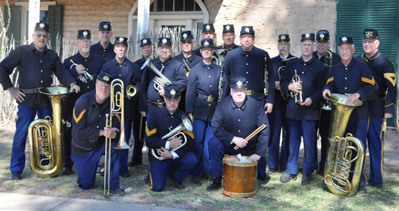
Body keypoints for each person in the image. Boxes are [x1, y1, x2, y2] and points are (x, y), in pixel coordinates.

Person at [0, 22, 80, 180]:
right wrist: (10, 88)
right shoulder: (21, 51)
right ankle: (16, 169)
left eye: (44, 35)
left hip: (45, 100)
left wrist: (71, 83)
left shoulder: (52, 55)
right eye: (39, 35)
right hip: (26, 100)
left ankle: (46, 166)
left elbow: (61, 71)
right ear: (33, 36)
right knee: (21, 135)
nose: (41, 38)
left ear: (48, 38)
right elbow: (2, 68)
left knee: (46, 135)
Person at [323, 36, 376, 193]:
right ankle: (338, 178)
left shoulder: (362, 67)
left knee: (358, 147)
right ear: (338, 50)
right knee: (341, 147)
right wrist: (327, 89)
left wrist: (358, 94)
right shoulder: (334, 68)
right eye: (342, 48)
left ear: (353, 50)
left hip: (359, 114)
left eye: (347, 48)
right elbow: (330, 83)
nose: (344, 51)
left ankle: (359, 182)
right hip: (341, 116)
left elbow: (372, 87)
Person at [223, 26, 275, 179]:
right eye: (244, 36)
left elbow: (271, 78)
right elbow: (226, 78)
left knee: (260, 132)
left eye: (249, 37)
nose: (246, 39)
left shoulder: (263, 55)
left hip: (257, 99)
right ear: (240, 39)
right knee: (237, 130)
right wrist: (225, 101)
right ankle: (234, 166)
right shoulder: (231, 56)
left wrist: (270, 100)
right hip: (236, 99)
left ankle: (260, 172)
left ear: (253, 39)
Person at [280, 33, 327, 185]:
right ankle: (291, 170)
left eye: (309, 45)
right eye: (304, 44)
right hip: (293, 110)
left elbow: (322, 89)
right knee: (292, 142)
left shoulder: (321, 67)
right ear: (300, 46)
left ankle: (307, 171)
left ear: (313, 47)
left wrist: (312, 99)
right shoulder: (292, 64)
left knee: (309, 142)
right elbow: (283, 82)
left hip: (310, 111)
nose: (306, 47)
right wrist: (290, 86)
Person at [207, 76, 270, 191]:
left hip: (250, 146)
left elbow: (264, 129)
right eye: (236, 90)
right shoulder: (222, 104)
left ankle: (260, 173)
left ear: (246, 91)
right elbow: (216, 127)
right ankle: (216, 178)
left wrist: (258, 153)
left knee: (258, 178)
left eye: (242, 91)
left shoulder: (256, 105)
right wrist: (233, 139)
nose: (239, 93)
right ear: (231, 92)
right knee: (213, 142)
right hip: (230, 145)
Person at [71, 71, 124, 195]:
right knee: (86, 185)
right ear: (95, 85)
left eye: (107, 86)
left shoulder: (114, 102)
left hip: (101, 145)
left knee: (116, 144)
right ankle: (89, 172)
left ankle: (112, 185)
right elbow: (79, 131)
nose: (104, 89)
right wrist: (101, 132)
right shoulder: (82, 102)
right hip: (83, 148)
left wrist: (113, 134)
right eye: (101, 85)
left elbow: (118, 127)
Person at [357, 29, 396, 189]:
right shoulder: (358, 60)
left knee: (375, 144)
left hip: (376, 108)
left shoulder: (384, 62)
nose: (367, 44)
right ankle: (360, 178)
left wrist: (389, 109)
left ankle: (377, 178)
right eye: (365, 41)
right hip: (360, 108)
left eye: (370, 41)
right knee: (360, 144)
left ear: (377, 43)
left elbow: (392, 88)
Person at [62, 29, 106, 175]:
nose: (85, 43)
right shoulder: (69, 62)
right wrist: (74, 72)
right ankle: (68, 164)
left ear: (90, 42)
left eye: (87, 41)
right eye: (82, 41)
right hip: (74, 105)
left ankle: (95, 163)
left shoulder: (99, 61)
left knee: (95, 135)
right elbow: (62, 80)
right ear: (77, 42)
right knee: (70, 134)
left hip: (95, 106)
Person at [185, 38, 228, 184]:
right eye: (204, 49)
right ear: (201, 51)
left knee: (210, 142)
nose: (206, 51)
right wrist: (189, 112)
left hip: (215, 110)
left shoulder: (219, 70)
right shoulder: (195, 70)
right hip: (199, 110)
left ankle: (207, 170)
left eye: (209, 49)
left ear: (213, 51)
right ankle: (195, 172)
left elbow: (224, 91)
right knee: (197, 143)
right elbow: (190, 92)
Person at [145, 84, 197, 191]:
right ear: (164, 98)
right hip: (160, 155)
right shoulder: (155, 116)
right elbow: (149, 141)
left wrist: (172, 155)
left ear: (180, 99)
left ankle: (175, 177)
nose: (172, 103)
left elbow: (190, 143)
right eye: (169, 99)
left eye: (175, 99)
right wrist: (168, 144)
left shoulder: (184, 117)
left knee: (192, 159)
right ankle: (154, 171)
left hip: (175, 156)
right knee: (157, 188)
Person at [102, 36, 141, 177]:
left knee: (125, 137)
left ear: (126, 49)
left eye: (123, 46)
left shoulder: (133, 67)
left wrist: (133, 91)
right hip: (111, 109)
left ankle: (123, 167)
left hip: (127, 108)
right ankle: (111, 165)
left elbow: (138, 84)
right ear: (114, 49)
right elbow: (102, 84)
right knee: (111, 137)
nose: (120, 49)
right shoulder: (107, 66)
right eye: (118, 46)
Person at [313, 30, 341, 174]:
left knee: (326, 135)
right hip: (312, 104)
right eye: (319, 42)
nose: (321, 45)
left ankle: (324, 165)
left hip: (328, 105)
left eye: (324, 43)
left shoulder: (336, 59)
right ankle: (310, 165)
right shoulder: (309, 57)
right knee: (311, 136)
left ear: (329, 43)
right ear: (315, 43)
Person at [268, 34, 297, 173]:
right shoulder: (272, 62)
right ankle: (273, 165)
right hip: (276, 102)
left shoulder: (295, 61)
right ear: (277, 45)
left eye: (285, 44)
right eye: (280, 44)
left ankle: (285, 164)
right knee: (274, 134)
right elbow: (266, 81)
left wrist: (287, 85)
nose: (283, 46)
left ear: (290, 46)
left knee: (288, 135)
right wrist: (273, 84)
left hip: (291, 104)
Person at [139, 37, 187, 119]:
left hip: (169, 109)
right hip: (151, 108)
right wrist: (142, 107)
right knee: (151, 131)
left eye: (167, 48)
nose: (164, 50)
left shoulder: (177, 65)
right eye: (161, 48)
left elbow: (183, 82)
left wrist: (167, 90)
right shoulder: (151, 64)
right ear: (157, 50)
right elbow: (143, 86)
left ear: (171, 50)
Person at [129, 38, 153, 167]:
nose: (146, 49)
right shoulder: (136, 65)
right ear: (141, 50)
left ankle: (152, 157)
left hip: (153, 103)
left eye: (148, 47)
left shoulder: (156, 62)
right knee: (138, 131)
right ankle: (136, 157)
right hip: (139, 103)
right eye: (144, 48)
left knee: (153, 132)